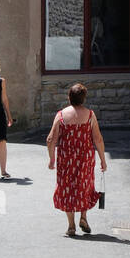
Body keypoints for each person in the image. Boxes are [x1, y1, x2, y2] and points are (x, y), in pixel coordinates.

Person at [46, 83, 107, 237]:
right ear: (84, 98)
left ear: (69, 97)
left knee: (66, 188)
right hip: (85, 157)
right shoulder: (90, 115)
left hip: (66, 158)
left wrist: (52, 158)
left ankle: (71, 225)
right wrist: (102, 160)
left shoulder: (61, 115)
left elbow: (50, 139)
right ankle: (84, 218)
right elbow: (98, 139)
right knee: (84, 185)